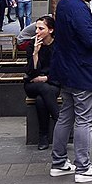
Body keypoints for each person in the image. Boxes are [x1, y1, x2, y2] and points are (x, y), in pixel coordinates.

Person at [49, 0, 92, 183]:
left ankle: (59, 162)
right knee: (84, 121)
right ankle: (83, 168)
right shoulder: (78, 8)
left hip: (66, 71)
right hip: (82, 72)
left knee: (66, 117)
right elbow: (89, 39)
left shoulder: (64, 4)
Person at [24, 15, 60, 151]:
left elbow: (61, 71)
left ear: (50, 30)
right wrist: (35, 54)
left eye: (41, 28)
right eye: (36, 29)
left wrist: (45, 78)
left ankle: (43, 136)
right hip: (32, 84)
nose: (37, 32)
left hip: (52, 83)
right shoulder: (31, 45)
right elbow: (31, 73)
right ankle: (59, 119)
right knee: (44, 90)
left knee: (41, 100)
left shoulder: (58, 47)